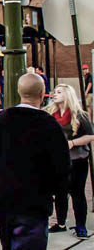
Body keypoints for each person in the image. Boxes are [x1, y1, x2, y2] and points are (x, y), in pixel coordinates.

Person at [0, 72, 70, 249]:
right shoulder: (49, 124)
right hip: (34, 201)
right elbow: (62, 168)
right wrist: (58, 198)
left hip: (4, 200)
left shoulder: (1, 119)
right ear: (42, 93)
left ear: (19, 91)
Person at [45, 84, 92, 239]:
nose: (55, 94)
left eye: (59, 92)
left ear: (67, 94)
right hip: (58, 161)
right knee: (60, 192)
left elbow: (91, 136)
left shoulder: (80, 115)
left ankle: (81, 226)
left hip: (78, 159)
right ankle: (61, 223)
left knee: (77, 193)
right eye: (54, 92)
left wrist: (72, 143)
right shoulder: (50, 114)